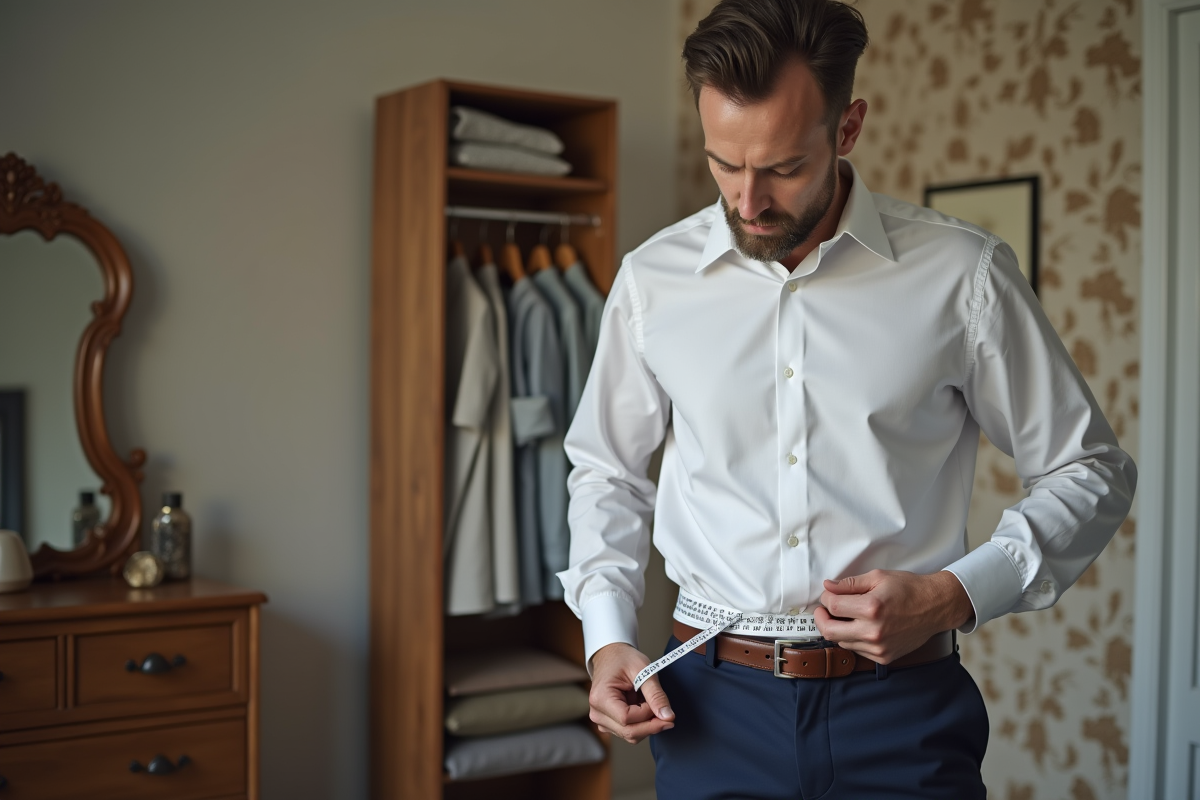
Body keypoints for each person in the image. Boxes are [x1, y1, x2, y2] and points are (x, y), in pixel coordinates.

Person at [558, 0, 1137, 797]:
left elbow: (1091, 469)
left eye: (784, 167)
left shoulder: (962, 277)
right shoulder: (652, 282)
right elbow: (607, 473)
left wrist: (952, 594)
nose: (749, 201)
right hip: (709, 707)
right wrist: (605, 639)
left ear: (848, 127)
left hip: (902, 712)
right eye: (724, 164)